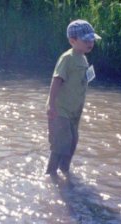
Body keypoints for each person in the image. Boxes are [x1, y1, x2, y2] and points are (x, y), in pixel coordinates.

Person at [46, 20, 101, 176]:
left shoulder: (83, 58)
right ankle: (50, 174)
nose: (90, 43)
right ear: (72, 41)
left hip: (74, 112)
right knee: (60, 144)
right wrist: (51, 105)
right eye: (86, 40)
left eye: (92, 39)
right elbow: (56, 80)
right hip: (60, 109)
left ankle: (65, 171)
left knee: (72, 143)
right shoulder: (67, 58)